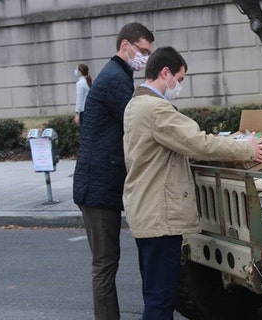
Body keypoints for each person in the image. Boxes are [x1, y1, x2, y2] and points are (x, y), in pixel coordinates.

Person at [122, 46, 262, 319]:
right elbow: (198, 143)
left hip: (146, 211)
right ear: (165, 72)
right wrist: (247, 149)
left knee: (154, 292)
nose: (179, 86)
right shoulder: (156, 109)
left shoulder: (136, 104)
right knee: (160, 298)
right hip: (160, 217)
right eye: (179, 80)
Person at [72, 22, 154, 320]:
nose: (145, 57)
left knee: (107, 262)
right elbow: (138, 124)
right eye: (142, 51)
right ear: (125, 46)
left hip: (99, 183)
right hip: (97, 186)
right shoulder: (115, 79)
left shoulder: (117, 75)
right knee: (105, 263)